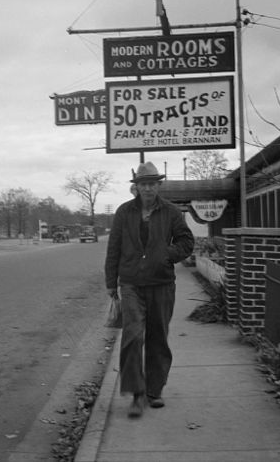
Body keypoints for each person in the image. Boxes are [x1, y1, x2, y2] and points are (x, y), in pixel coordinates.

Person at [105, 161, 194, 418]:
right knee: (133, 336)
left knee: (157, 338)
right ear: (136, 187)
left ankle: (155, 391)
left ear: (158, 185)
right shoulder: (124, 212)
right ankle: (136, 394)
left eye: (152, 184)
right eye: (143, 184)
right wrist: (111, 283)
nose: (147, 188)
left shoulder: (170, 212)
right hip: (131, 283)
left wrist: (167, 255)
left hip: (162, 284)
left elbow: (187, 241)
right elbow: (114, 249)